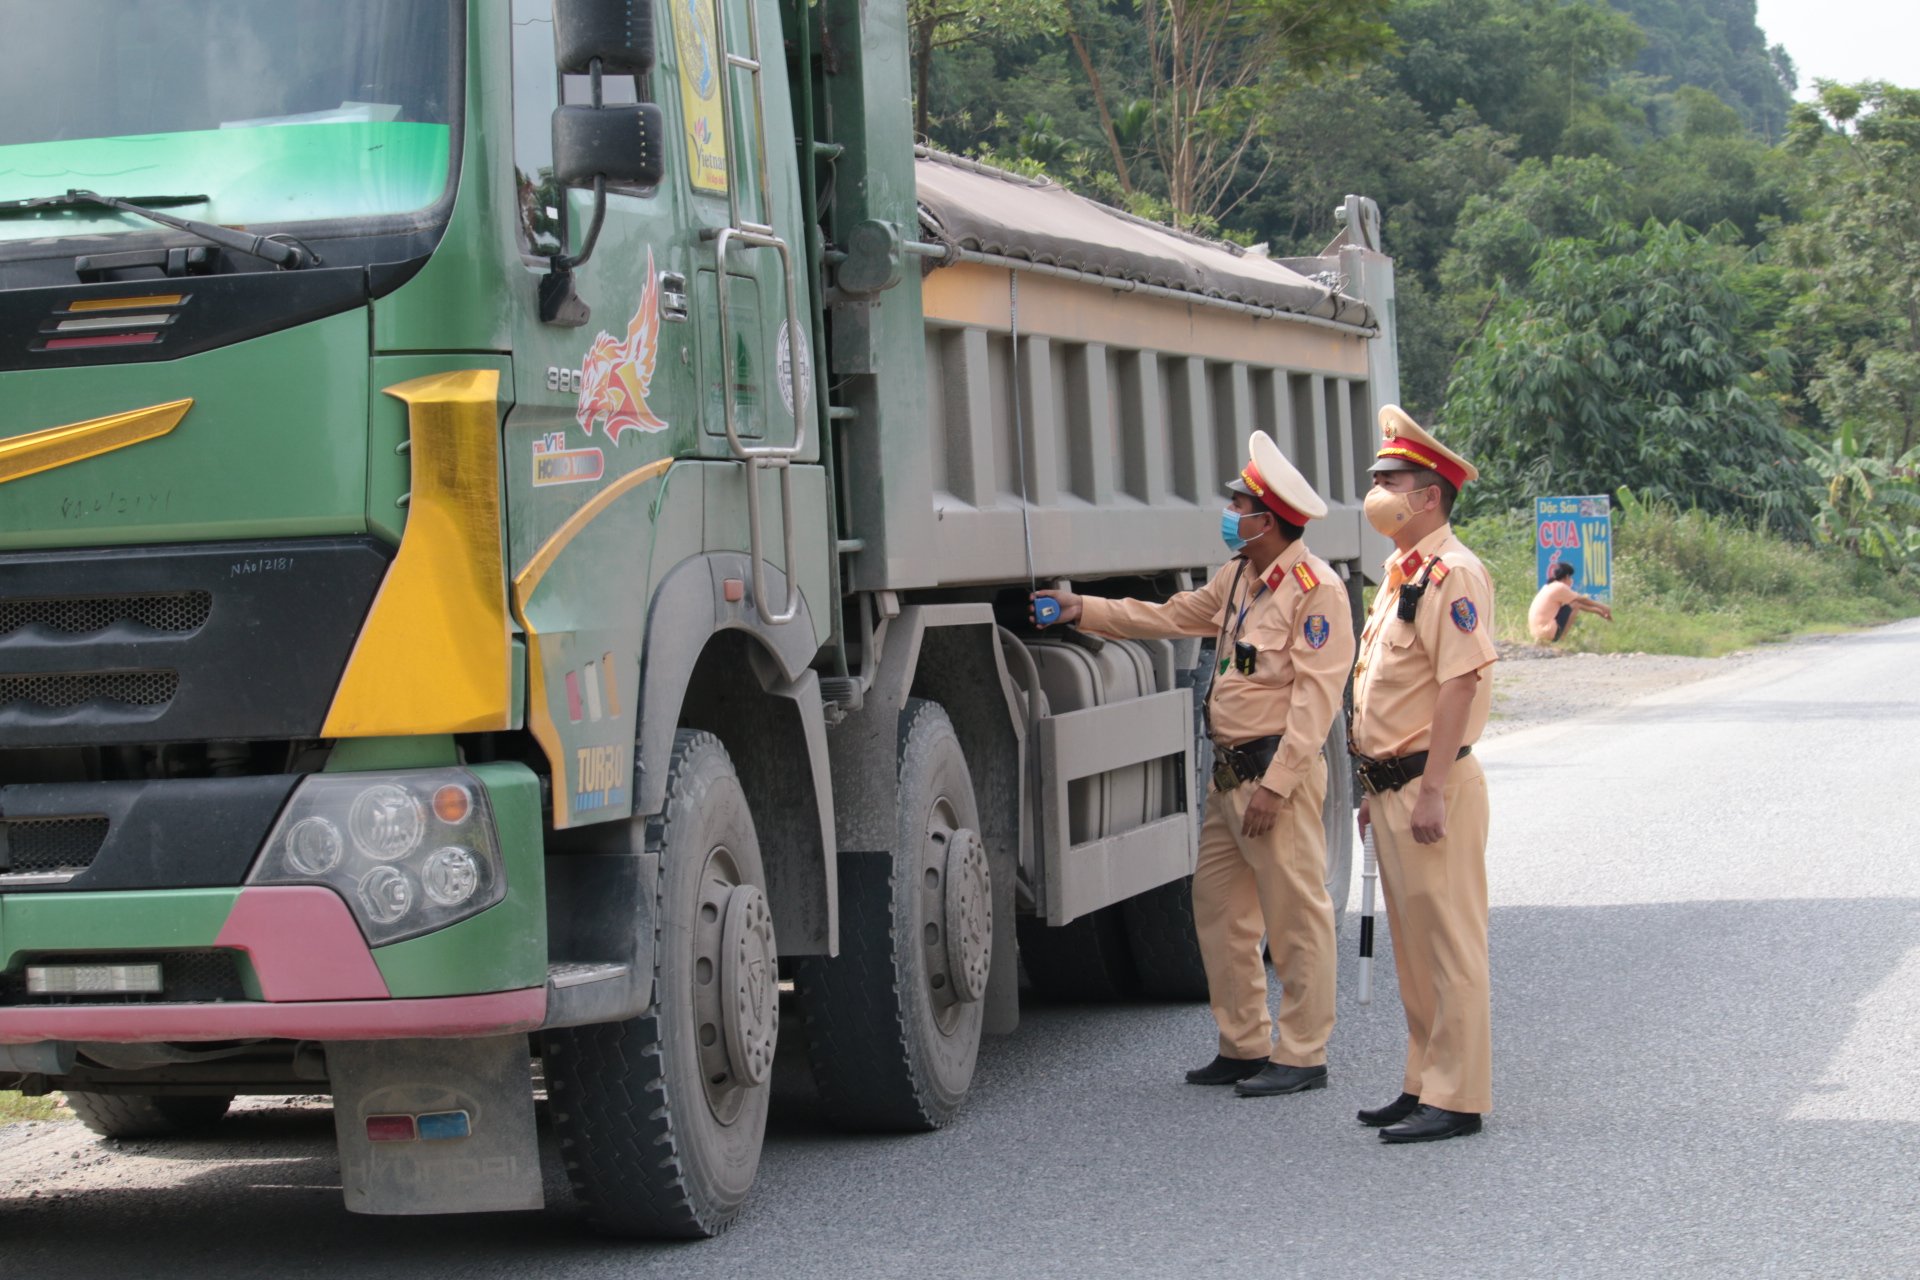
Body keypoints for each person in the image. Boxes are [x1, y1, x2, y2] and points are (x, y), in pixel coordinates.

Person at [1031, 432, 1355, 1099]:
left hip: (1272, 782)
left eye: (1239, 504)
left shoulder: (1314, 591)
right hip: (1227, 778)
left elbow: (1315, 704)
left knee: (1296, 918)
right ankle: (1243, 1043)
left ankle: (1303, 1053)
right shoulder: (1237, 578)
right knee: (1220, 912)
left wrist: (1277, 786)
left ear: (1269, 519)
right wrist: (1081, 609)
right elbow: (1169, 617)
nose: (1230, 513)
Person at [1351, 405, 1497, 1145]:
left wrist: (1432, 788)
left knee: (1449, 945)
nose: (1375, 490)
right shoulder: (1401, 572)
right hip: (1395, 787)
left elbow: (1460, 685)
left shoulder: (1455, 573)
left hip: (1430, 787)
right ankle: (1422, 1081)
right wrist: (1378, 790)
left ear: (1429, 495)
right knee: (1414, 951)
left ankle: (1459, 1096)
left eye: (1390, 479)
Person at [1527, 561, 1612, 643]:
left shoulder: (1548, 586)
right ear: (1567, 576)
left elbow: (1577, 603)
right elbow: (1581, 600)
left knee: (1575, 604)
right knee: (1575, 604)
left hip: (1536, 633)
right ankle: (1562, 639)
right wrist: (1603, 607)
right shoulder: (1560, 587)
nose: (1571, 580)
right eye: (1571, 577)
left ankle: (1556, 639)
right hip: (1548, 631)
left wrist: (1597, 611)